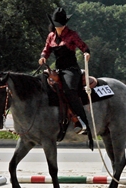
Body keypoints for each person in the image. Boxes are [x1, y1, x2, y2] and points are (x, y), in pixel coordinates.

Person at [39, 7, 91, 136]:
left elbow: (82, 46)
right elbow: (46, 50)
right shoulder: (51, 36)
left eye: (61, 24)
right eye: (57, 24)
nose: (60, 27)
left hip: (71, 69)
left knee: (69, 90)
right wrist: (43, 57)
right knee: (41, 84)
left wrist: (86, 53)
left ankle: (83, 121)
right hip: (57, 69)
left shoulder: (72, 34)